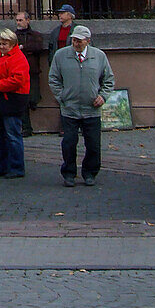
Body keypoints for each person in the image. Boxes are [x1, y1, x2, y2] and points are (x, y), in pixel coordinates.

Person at [48, 24, 114, 187]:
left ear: (88, 41)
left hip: (91, 109)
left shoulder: (99, 56)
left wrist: (103, 96)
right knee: (69, 143)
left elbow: (108, 80)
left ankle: (90, 172)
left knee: (93, 144)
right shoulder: (61, 55)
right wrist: (62, 96)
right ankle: (69, 173)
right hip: (69, 109)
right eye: (74, 40)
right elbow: (53, 79)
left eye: (79, 41)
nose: (76, 44)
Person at [0, 28, 30, 179]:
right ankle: (3, 166)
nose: (1, 46)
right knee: (0, 134)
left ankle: (16, 167)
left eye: (5, 44)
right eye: (0, 43)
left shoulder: (18, 58)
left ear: (12, 43)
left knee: (12, 134)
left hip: (13, 99)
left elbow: (17, 80)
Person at [15, 11, 44, 136]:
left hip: (32, 71)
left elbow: (37, 47)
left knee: (33, 97)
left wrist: (23, 48)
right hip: (18, 71)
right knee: (23, 100)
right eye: (17, 20)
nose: (18, 22)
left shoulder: (35, 34)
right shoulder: (14, 35)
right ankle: (26, 127)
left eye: (21, 20)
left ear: (27, 20)